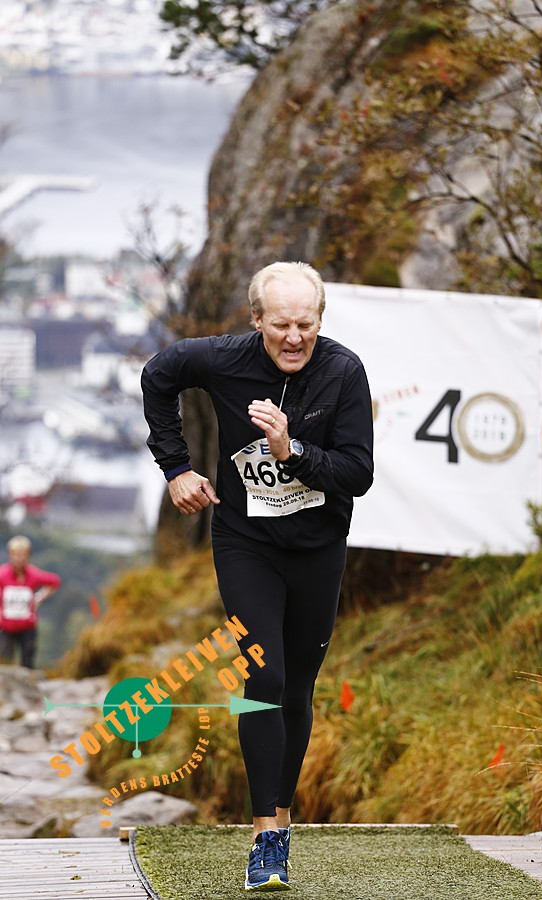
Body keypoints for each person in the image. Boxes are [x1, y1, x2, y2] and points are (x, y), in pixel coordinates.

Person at [141, 261, 374, 892]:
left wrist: (291, 451)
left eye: (306, 325)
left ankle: (284, 817)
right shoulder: (223, 359)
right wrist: (176, 468)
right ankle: (265, 835)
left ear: (320, 320)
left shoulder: (344, 372)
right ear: (256, 321)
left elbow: (358, 473)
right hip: (246, 543)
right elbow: (158, 375)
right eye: (280, 325)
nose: (294, 338)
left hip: (318, 548)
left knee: (296, 688)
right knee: (263, 675)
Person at [0, 535, 62, 669]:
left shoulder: (33, 574)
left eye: (22, 555)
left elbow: (54, 581)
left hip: (27, 627)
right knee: (5, 662)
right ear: (10, 555)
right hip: (7, 627)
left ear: (28, 556)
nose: (19, 559)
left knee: (27, 663)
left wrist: (39, 597)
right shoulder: (3, 574)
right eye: (16, 554)